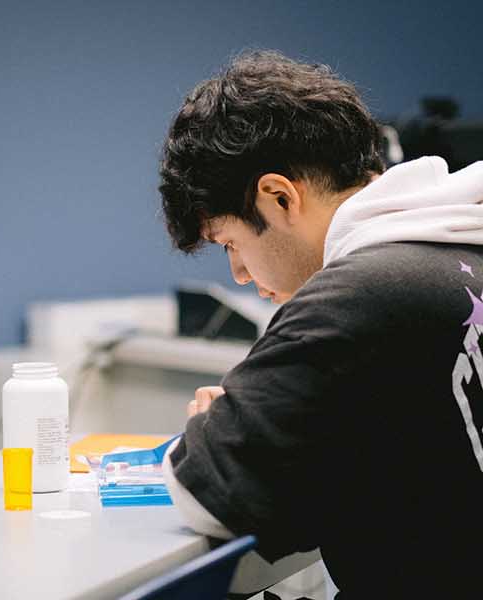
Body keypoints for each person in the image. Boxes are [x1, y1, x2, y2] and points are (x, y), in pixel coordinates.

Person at [157, 49, 483, 597]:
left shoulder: (362, 295)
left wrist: (219, 423)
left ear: (279, 196)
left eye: (232, 243)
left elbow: (204, 492)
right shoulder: (461, 249)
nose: (239, 274)